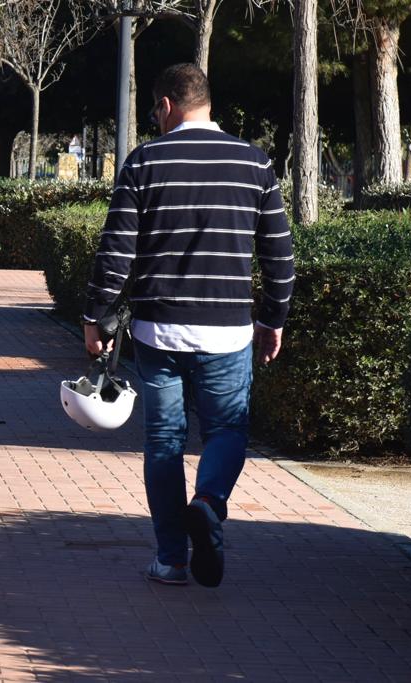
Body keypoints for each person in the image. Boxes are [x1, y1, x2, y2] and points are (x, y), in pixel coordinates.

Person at [82, 63, 294, 588]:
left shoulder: (144, 162)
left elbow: (116, 253)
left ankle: (172, 559)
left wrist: (97, 317)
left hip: (159, 330)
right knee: (226, 430)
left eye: (155, 109)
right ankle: (208, 501)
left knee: (163, 443)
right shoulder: (255, 163)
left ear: (167, 105)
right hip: (227, 332)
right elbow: (280, 258)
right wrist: (272, 319)